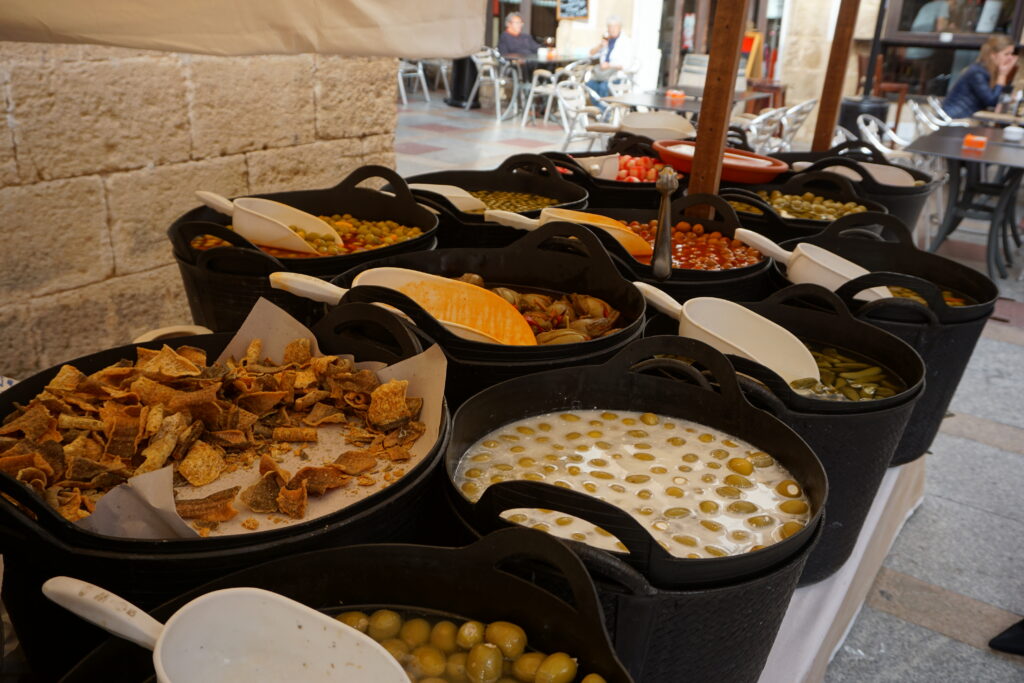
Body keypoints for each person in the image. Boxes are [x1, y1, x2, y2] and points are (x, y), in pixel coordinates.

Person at [942, 33, 1017, 119]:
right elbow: (991, 101)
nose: (1010, 58)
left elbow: (999, 99)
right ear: (993, 55)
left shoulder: (989, 71)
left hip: (964, 117)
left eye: (1012, 54)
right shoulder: (977, 72)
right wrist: (1002, 75)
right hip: (954, 118)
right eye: (1006, 54)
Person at [586, 15, 637, 100]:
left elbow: (627, 65)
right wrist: (600, 46)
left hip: (617, 76)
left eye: (615, 27)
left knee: (603, 87)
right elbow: (591, 54)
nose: (612, 29)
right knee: (589, 85)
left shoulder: (626, 42)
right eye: (610, 27)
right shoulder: (607, 41)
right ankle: (601, 109)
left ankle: (605, 110)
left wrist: (609, 66)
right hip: (602, 75)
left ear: (620, 27)